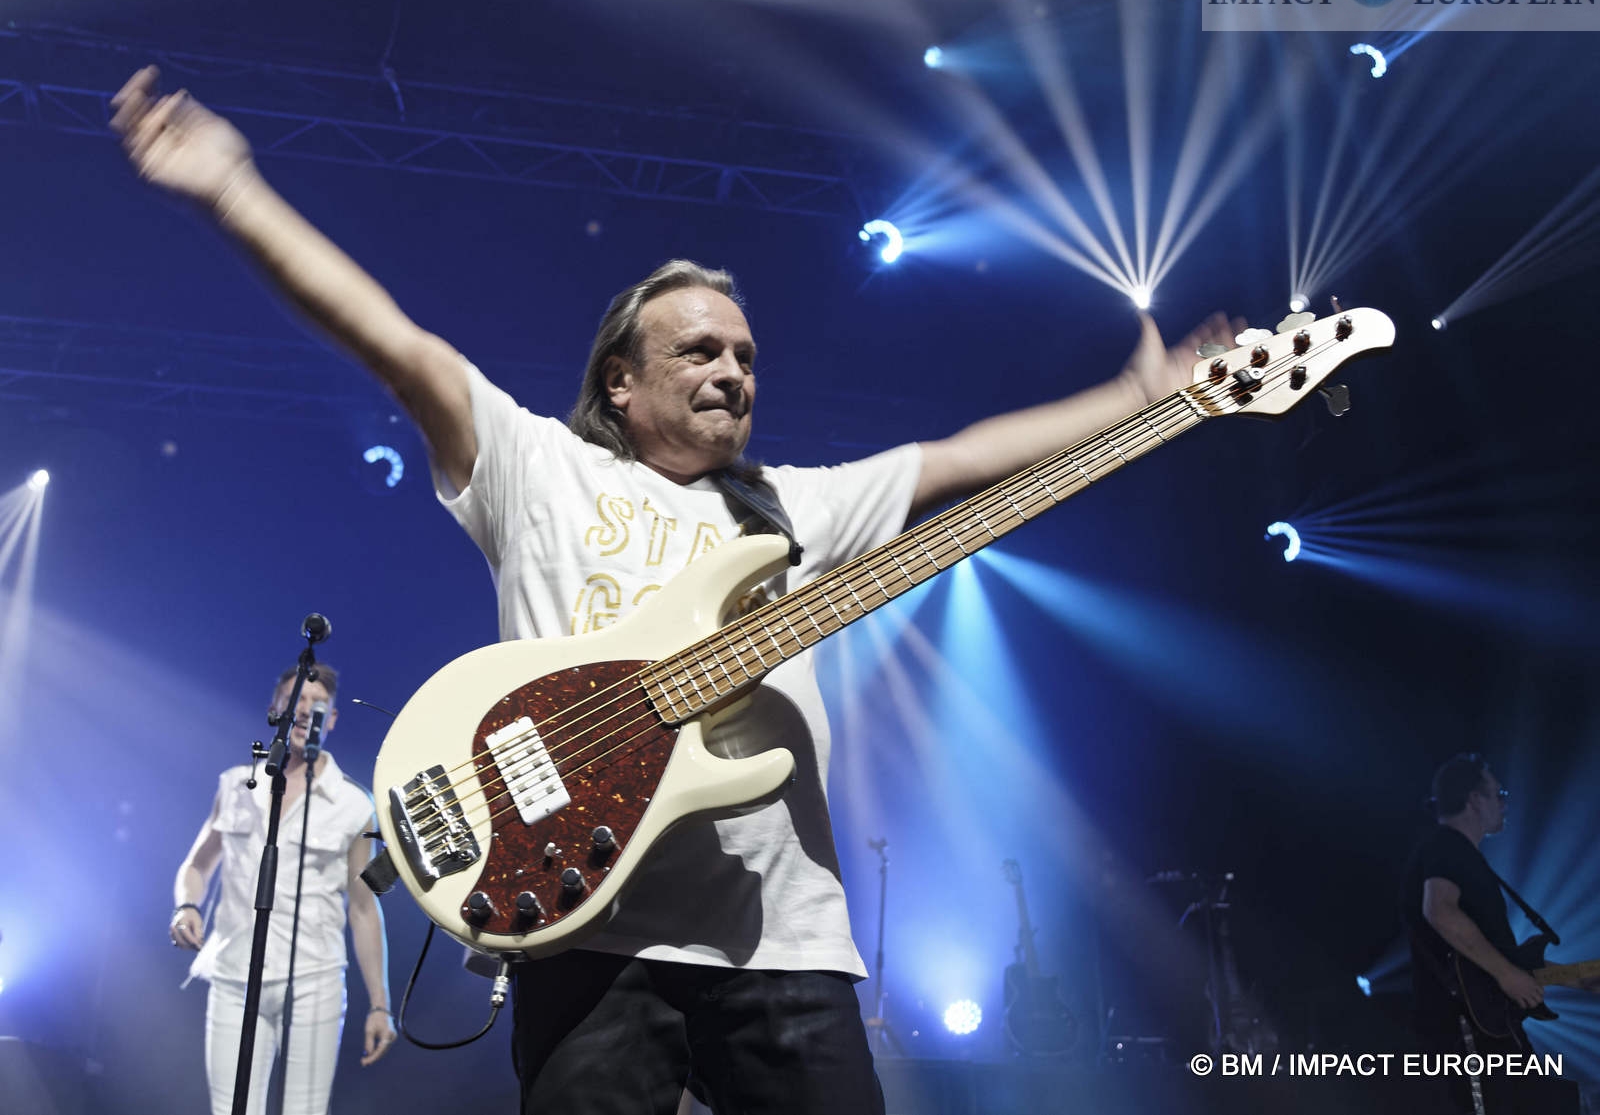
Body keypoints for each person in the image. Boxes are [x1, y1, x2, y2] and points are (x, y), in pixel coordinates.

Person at [116, 65, 1233, 1115]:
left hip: (782, 945)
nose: (733, 372)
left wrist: (1140, 400)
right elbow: (393, 343)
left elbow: (960, 462)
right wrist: (233, 191)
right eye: (700, 351)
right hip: (584, 928)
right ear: (622, 379)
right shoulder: (540, 468)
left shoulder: (791, 506)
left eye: (745, 358)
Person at [171, 663, 398, 1115]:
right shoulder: (236, 785)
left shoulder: (354, 804)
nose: (305, 711)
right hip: (235, 978)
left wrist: (380, 1005)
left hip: (314, 981)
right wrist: (186, 906)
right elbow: (196, 864)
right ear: (276, 707)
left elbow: (363, 908)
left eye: (318, 705)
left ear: (332, 720)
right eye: (297, 701)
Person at [1401, 753, 1598, 1113]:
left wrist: (1580, 977)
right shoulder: (1447, 846)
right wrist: (1507, 974)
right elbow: (1439, 910)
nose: (1505, 804)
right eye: (1499, 794)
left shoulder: (1463, 857)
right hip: (1467, 1033)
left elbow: (1501, 962)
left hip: (1492, 1030)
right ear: (1475, 800)